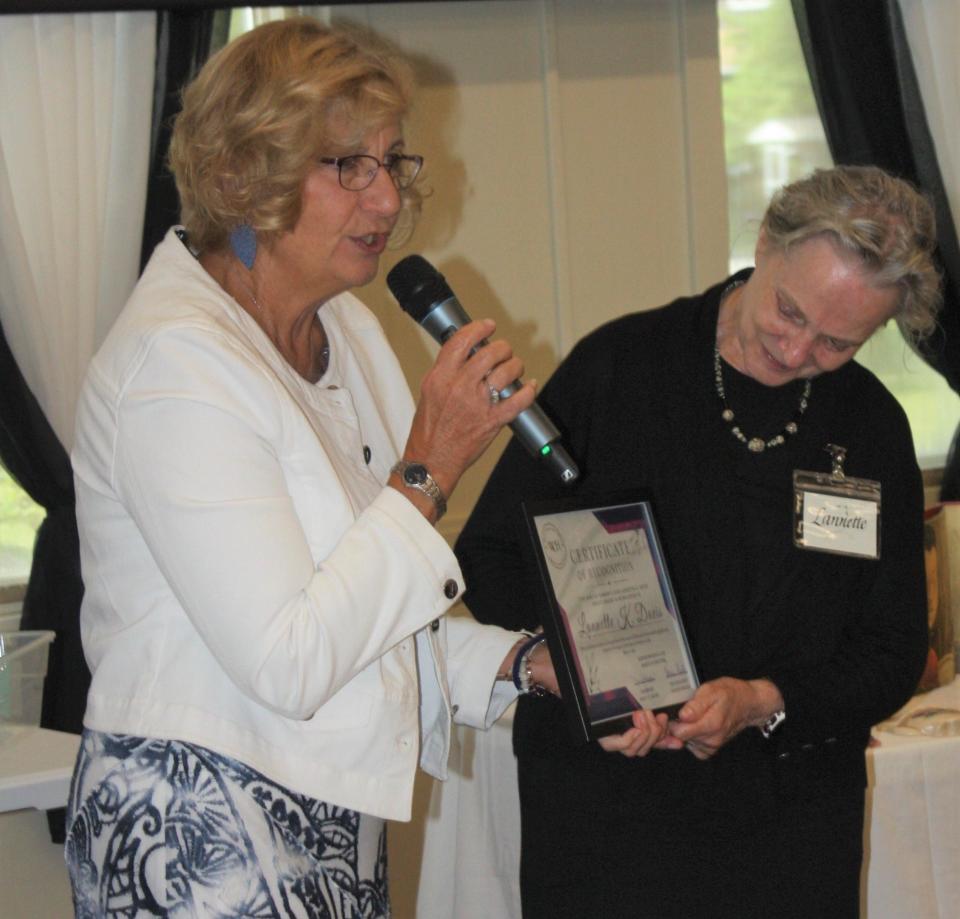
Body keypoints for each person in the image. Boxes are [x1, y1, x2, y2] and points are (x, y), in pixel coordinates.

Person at [62, 18, 601, 918]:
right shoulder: (177, 364)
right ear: (242, 176)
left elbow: (381, 614)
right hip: (194, 838)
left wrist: (528, 663)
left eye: (392, 163)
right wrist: (427, 469)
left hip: (332, 822)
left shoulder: (343, 328)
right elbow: (291, 658)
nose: (386, 201)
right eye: (347, 166)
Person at [456, 165, 938, 918]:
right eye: (789, 311)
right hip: (609, 817)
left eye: (838, 343)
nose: (796, 348)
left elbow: (892, 646)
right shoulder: (620, 369)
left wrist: (763, 701)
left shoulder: (870, 426)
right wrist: (593, 675)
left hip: (792, 824)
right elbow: (491, 556)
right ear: (763, 243)